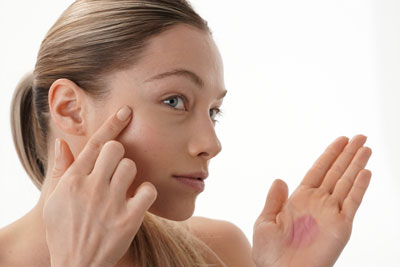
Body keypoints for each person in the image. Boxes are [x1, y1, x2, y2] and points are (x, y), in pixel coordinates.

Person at [0, 0, 372, 266]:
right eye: (174, 101)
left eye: (214, 112)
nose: (211, 144)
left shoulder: (219, 252)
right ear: (70, 108)